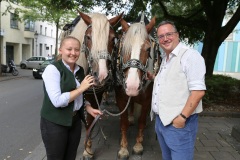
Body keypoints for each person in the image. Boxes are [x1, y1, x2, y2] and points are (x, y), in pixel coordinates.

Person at [148, 20, 206, 160]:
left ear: (177, 35)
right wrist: (154, 78)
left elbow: (198, 92)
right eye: (161, 36)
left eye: (169, 34)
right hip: (161, 122)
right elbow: (173, 81)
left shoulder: (190, 56)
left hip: (179, 125)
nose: (165, 38)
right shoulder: (166, 58)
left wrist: (182, 118)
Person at [40, 36, 102, 160]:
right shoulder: (52, 70)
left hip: (74, 122)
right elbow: (57, 101)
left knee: (71, 157)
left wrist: (88, 107)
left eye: (77, 50)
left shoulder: (80, 70)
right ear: (60, 50)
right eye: (69, 49)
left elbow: (79, 97)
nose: (73, 53)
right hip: (55, 124)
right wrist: (81, 88)